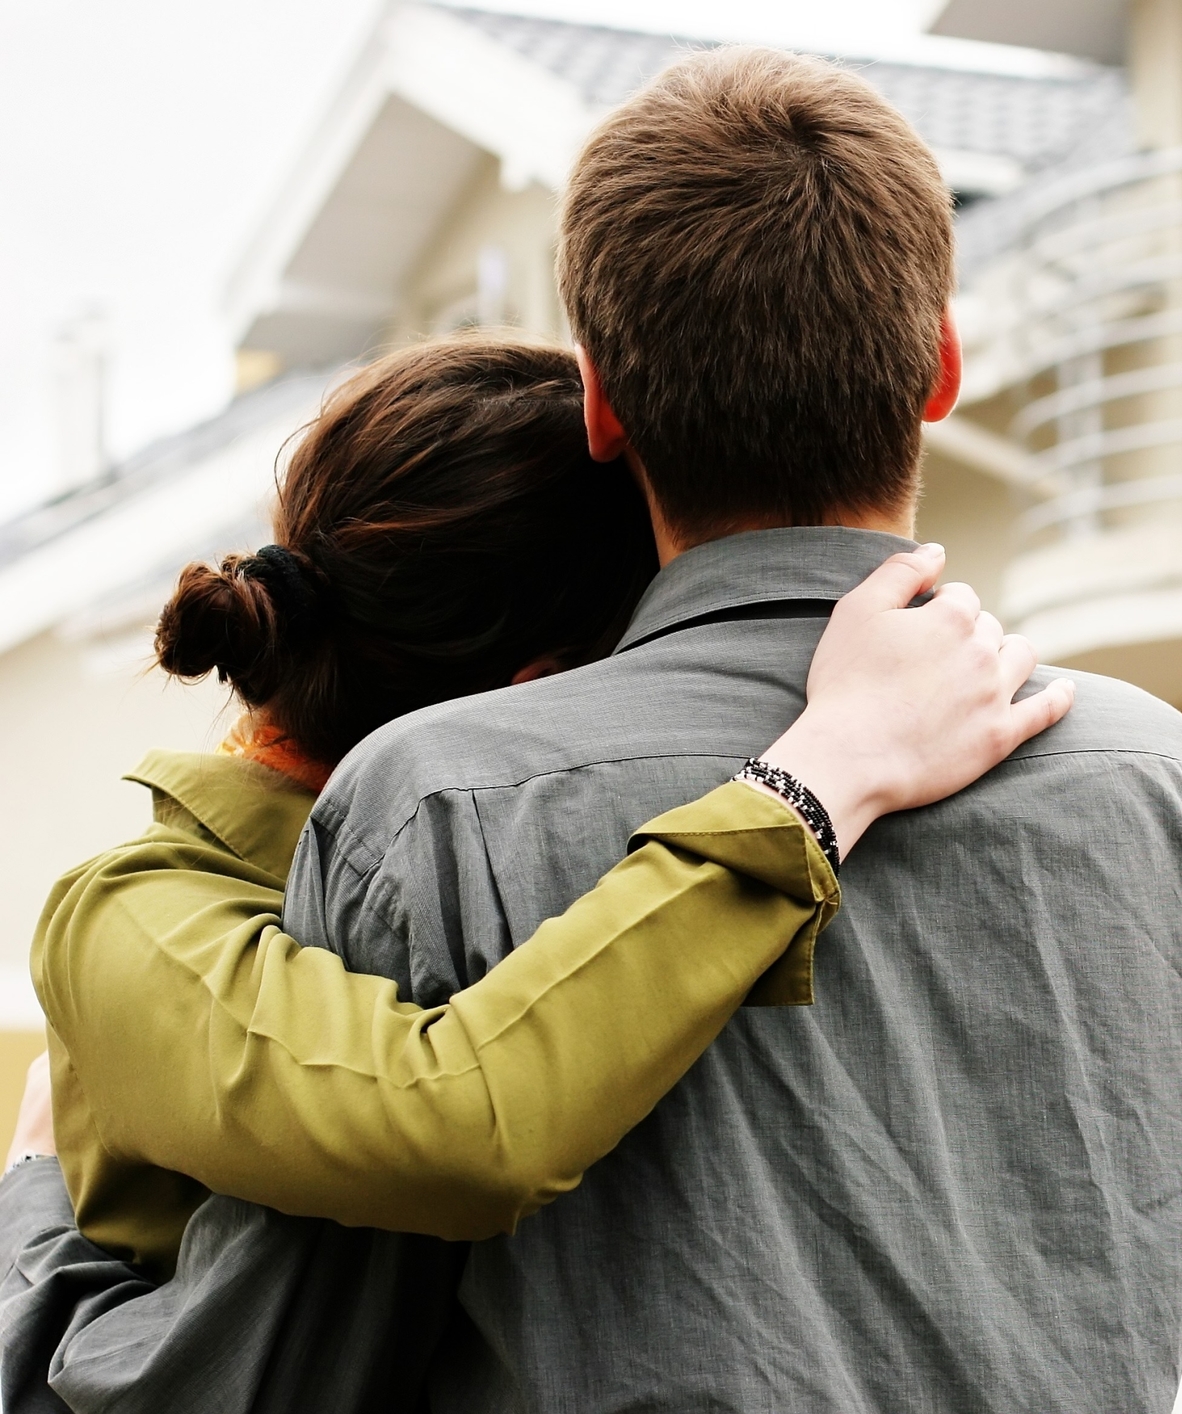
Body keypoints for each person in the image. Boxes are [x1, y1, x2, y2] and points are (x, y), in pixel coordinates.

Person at [0, 335, 1072, 1412]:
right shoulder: (135, 916)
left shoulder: (565, 869)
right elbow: (452, 1122)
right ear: (538, 693)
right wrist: (820, 775)